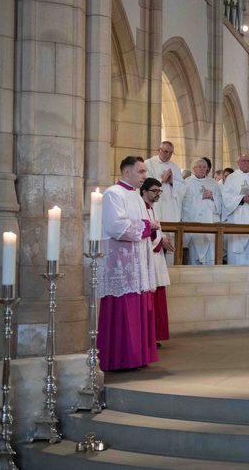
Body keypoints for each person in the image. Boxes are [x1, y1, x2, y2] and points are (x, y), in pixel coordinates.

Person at [98, 156, 159, 371]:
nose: (145, 176)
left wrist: (150, 227)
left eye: (145, 171)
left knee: (137, 309)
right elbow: (117, 226)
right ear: (126, 172)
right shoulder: (113, 194)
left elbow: (142, 227)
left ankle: (136, 357)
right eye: (141, 171)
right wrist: (147, 226)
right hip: (121, 266)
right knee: (122, 310)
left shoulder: (136, 196)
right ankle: (119, 359)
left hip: (137, 263)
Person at [141, 178, 172, 346]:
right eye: (154, 191)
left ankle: (154, 336)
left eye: (159, 191)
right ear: (144, 191)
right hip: (148, 259)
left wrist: (164, 238)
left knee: (158, 299)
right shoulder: (141, 209)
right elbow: (143, 235)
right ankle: (147, 337)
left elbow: (157, 231)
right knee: (150, 300)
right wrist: (161, 241)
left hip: (157, 259)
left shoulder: (153, 208)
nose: (157, 194)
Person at [145, 141, 185, 265]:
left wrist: (173, 182)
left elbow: (183, 189)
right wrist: (161, 180)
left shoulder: (174, 167)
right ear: (159, 150)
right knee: (155, 237)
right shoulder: (149, 163)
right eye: (165, 151)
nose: (168, 155)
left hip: (171, 209)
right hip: (156, 207)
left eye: (170, 153)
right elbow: (145, 185)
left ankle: (171, 269)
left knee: (171, 241)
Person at [222, 154, 249, 265]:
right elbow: (226, 197)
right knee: (237, 248)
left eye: (248, 161)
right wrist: (242, 199)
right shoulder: (231, 178)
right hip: (237, 216)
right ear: (238, 163)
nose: (246, 163)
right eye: (243, 161)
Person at [182, 158, 222, 265]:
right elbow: (184, 204)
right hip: (195, 222)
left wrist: (213, 197)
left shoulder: (213, 183)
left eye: (204, 167)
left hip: (211, 222)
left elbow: (220, 202)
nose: (202, 169)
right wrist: (201, 197)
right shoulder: (187, 183)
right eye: (199, 167)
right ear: (194, 168)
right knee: (195, 256)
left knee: (211, 254)